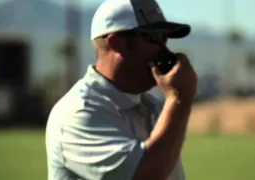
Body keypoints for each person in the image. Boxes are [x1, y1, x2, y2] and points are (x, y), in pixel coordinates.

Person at [45, 0, 197, 179]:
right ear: (118, 43)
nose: (164, 51)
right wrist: (179, 99)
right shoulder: (79, 112)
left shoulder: (153, 108)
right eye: (154, 38)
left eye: (165, 39)